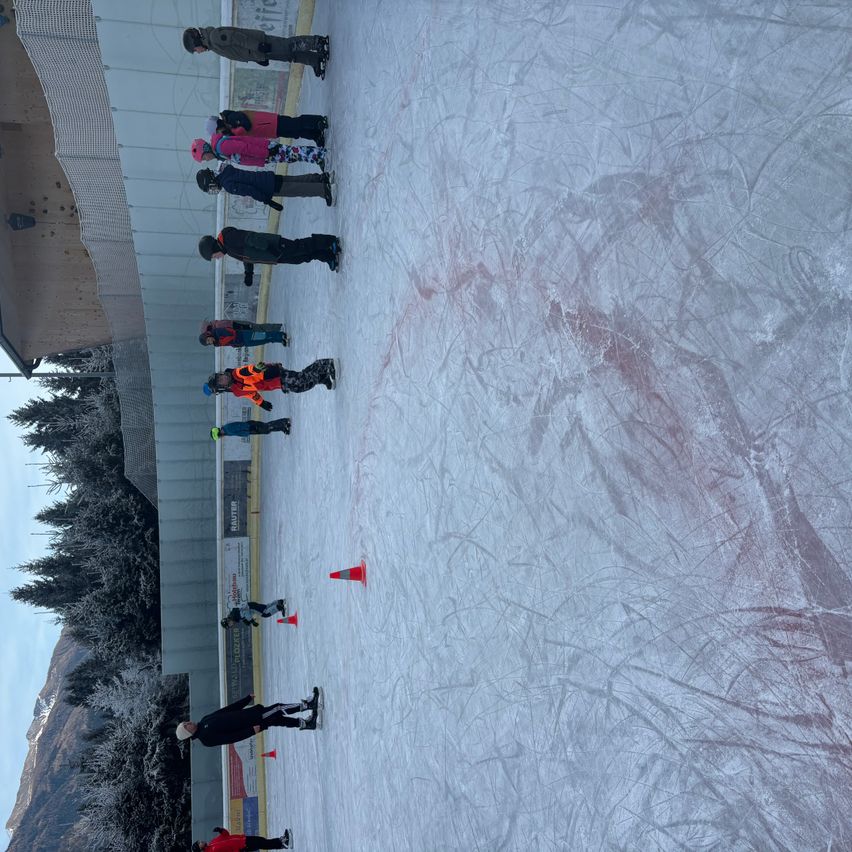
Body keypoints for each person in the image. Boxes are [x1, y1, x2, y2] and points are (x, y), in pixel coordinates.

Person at [176, 690, 321, 744]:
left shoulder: (204, 720)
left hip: (250, 715)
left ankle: (306, 724)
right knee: (277, 708)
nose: (188, 722)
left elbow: (228, 709)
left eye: (186, 722)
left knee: (278, 719)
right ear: (188, 733)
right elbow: (230, 738)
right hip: (252, 721)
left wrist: (246, 700)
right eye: (186, 725)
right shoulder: (206, 738)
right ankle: (308, 705)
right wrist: (251, 731)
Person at [182, 26, 329, 78]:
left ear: (196, 42)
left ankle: (317, 42)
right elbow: (239, 52)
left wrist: (259, 46)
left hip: (260, 44)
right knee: (288, 56)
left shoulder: (214, 37)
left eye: (196, 50)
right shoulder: (213, 45)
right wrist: (257, 58)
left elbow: (239, 39)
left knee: (288, 45)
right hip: (258, 51)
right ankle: (314, 60)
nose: (199, 52)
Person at [198, 228, 342, 281]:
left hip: (274, 246)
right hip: (272, 256)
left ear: (213, 248)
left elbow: (251, 238)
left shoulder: (227, 237)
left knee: (300, 246)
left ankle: (329, 241)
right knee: (300, 257)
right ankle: (328, 255)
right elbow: (246, 256)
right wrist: (248, 273)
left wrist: (268, 248)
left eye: (213, 256)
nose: (216, 258)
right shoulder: (228, 249)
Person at [203, 360, 336, 409]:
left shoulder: (235, 374)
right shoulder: (236, 391)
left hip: (272, 374)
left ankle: (325, 365)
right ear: (222, 387)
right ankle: (322, 378)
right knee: (300, 387)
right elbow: (251, 395)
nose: (222, 378)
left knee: (300, 378)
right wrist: (261, 403)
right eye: (220, 381)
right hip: (274, 384)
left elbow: (246, 371)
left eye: (220, 377)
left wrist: (256, 369)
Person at [196, 166, 334, 209]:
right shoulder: (226, 171)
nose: (213, 189)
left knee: (296, 189)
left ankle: (323, 190)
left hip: (267, 186)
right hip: (266, 177)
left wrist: (267, 200)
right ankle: (320, 178)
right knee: (295, 180)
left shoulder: (228, 185)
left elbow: (250, 190)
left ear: (212, 180)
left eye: (211, 187)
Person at [191, 135, 325, 168]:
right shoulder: (219, 152)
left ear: (206, 149)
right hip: (264, 154)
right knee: (291, 156)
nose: (207, 160)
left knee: (292, 152)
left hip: (266, 150)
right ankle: (317, 157)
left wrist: (266, 153)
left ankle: (320, 155)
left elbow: (245, 147)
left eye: (204, 158)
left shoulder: (221, 147)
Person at [210, 109, 328, 146]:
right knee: (294, 133)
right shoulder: (230, 128)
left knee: (295, 123)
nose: (221, 133)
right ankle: (315, 135)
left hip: (270, 122)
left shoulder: (231, 118)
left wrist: (234, 132)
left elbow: (247, 124)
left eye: (218, 131)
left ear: (218, 126)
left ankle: (317, 121)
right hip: (268, 130)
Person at [199, 318, 289, 348]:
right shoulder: (217, 343)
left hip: (243, 332)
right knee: (263, 339)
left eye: (208, 340)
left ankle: (279, 332)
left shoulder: (218, 327)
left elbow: (232, 327)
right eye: (208, 343)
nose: (210, 342)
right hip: (242, 341)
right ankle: (279, 338)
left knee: (262, 332)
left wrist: (245, 327)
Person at [192, 827, 292, 851]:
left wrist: (220, 830)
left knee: (262, 840)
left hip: (243, 839)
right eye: (199, 843)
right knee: (262, 843)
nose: (201, 841)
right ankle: (282, 842)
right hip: (243, 846)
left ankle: (281, 843)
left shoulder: (213, 842)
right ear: (200, 849)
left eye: (199, 841)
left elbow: (226, 835)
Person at [220, 599, 287, 628]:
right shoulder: (233, 616)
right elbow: (243, 613)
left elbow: (245, 613)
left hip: (251, 608)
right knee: (266, 607)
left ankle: (279, 607)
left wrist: (251, 621)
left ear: (228, 621)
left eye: (229, 625)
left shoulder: (234, 616)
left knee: (265, 614)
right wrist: (245, 620)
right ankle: (279, 602)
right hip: (251, 605)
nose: (231, 625)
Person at [211, 419, 292, 442]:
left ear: (219, 433)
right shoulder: (226, 432)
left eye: (219, 436)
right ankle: (282, 428)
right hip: (249, 430)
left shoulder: (227, 428)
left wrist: (249, 427)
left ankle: (284, 422)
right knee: (267, 430)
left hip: (249, 427)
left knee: (267, 427)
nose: (220, 437)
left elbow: (238, 425)